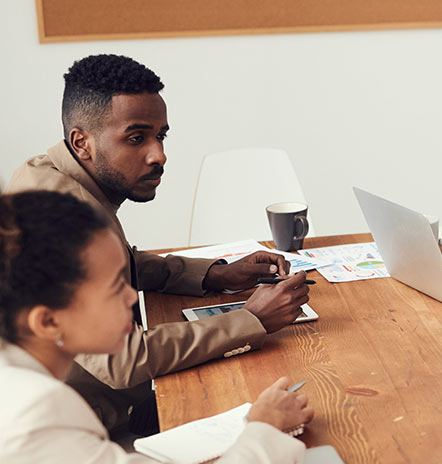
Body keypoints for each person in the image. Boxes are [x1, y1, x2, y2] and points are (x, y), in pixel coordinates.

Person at [0, 190, 315, 464]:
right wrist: (264, 427)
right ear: (47, 321)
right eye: (115, 287)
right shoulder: (32, 418)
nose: (133, 298)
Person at [6, 54, 310, 434]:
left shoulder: (52, 175)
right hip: (101, 429)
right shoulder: (56, 218)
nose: (159, 155)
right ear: (81, 142)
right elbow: (122, 361)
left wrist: (215, 274)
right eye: (136, 138)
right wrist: (251, 320)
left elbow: (116, 265)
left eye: (160, 136)